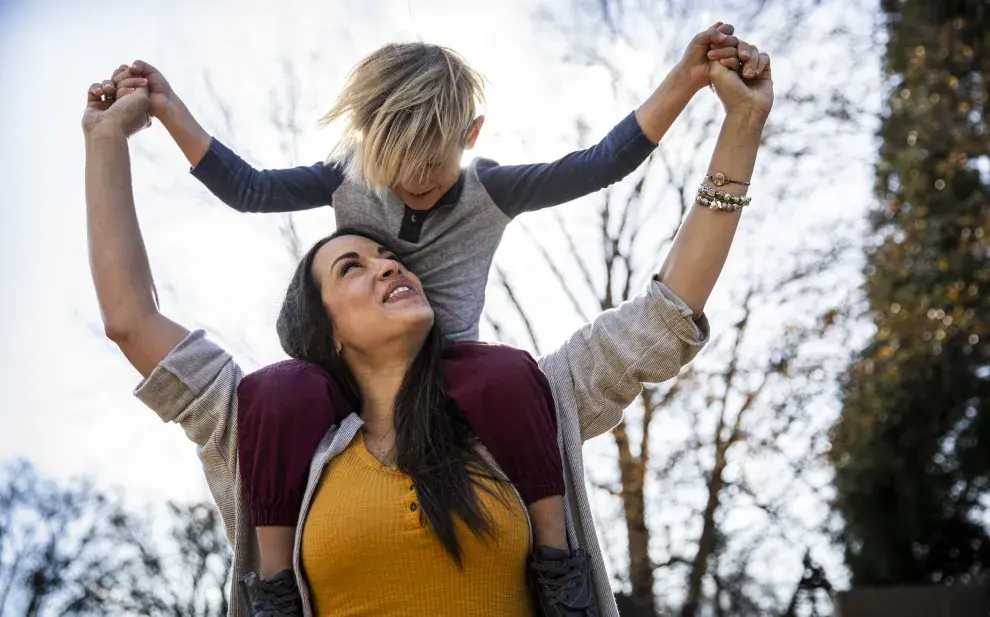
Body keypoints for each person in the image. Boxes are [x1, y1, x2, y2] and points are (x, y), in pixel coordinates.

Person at [83, 35, 772, 617]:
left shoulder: (525, 404)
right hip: (306, 408)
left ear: (469, 138)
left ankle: (560, 571)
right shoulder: (270, 427)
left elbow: (623, 211)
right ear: (325, 326)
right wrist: (120, 131)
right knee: (276, 391)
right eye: (351, 265)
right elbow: (167, 277)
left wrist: (725, 111)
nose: (391, 262)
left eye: (388, 257)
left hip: (471, 376)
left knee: (506, 373)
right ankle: (273, 589)